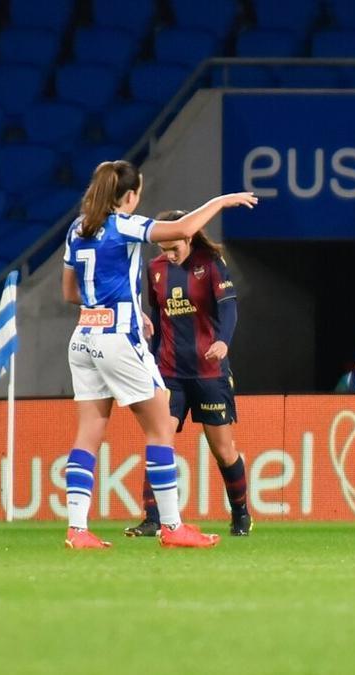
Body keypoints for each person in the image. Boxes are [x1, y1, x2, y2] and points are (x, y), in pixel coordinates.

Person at [61, 159, 256, 549]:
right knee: (161, 427)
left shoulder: (77, 229)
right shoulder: (124, 224)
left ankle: (77, 530)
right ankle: (172, 526)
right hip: (118, 337)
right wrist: (223, 199)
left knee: (87, 435)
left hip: (83, 337)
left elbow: (69, 293)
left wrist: (109, 308)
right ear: (130, 195)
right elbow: (184, 228)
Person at [124, 209, 250, 538]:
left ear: (188, 235)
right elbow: (156, 315)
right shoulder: (154, 270)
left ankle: (241, 513)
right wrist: (149, 357)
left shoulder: (209, 264)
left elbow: (229, 306)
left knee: (223, 450)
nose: (169, 253)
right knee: (159, 440)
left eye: (174, 247)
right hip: (169, 373)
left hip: (210, 372)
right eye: (163, 249)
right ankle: (154, 519)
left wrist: (223, 341)